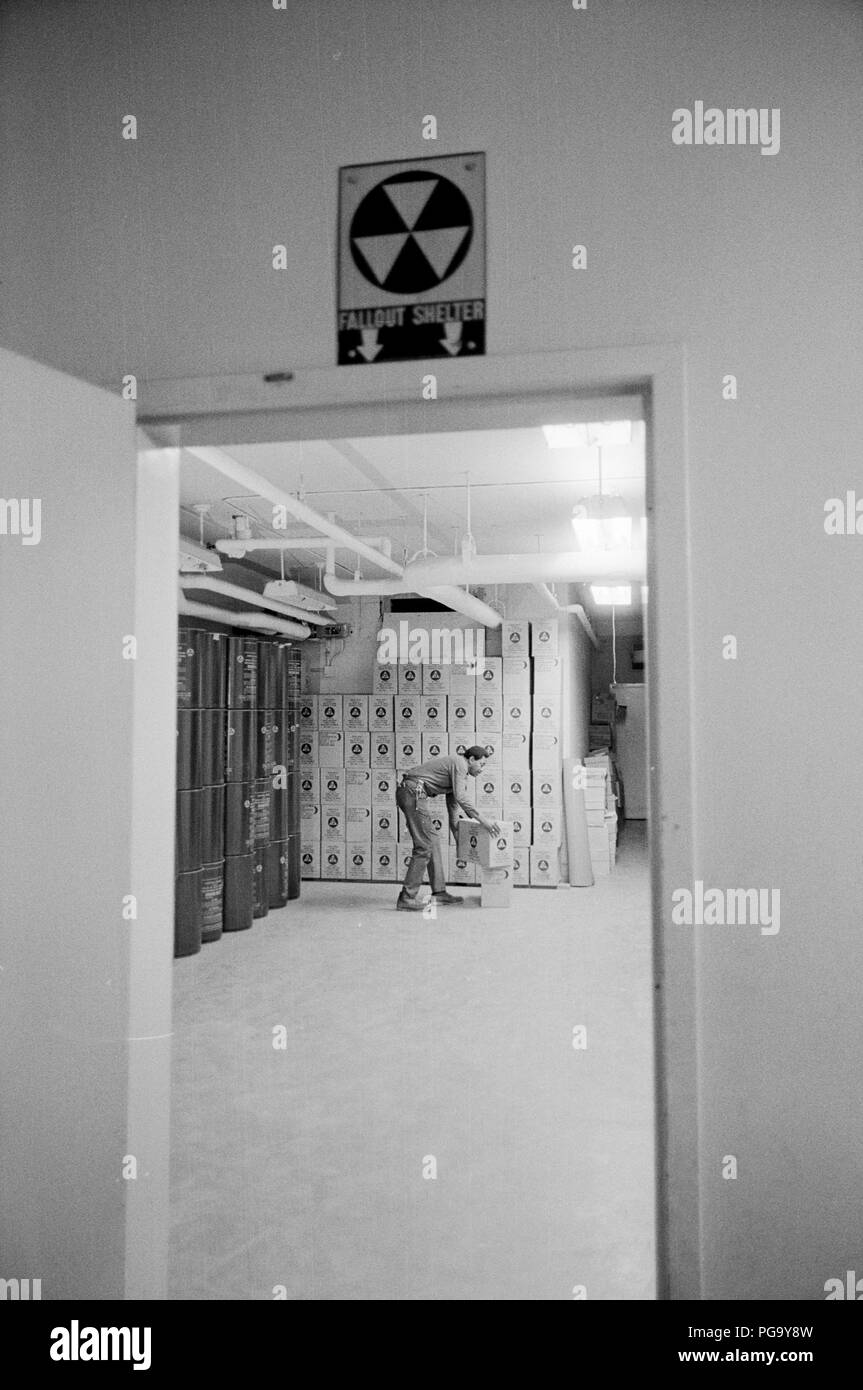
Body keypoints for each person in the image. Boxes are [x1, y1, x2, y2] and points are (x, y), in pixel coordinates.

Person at [395, 745, 502, 911]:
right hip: (412, 792)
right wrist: (484, 821)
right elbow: (462, 798)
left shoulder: (458, 776)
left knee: (433, 840)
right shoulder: (460, 763)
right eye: (481, 765)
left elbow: (453, 811)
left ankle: (439, 892)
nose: (482, 770)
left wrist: (460, 843)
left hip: (412, 792)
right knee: (423, 846)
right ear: (471, 759)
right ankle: (407, 898)